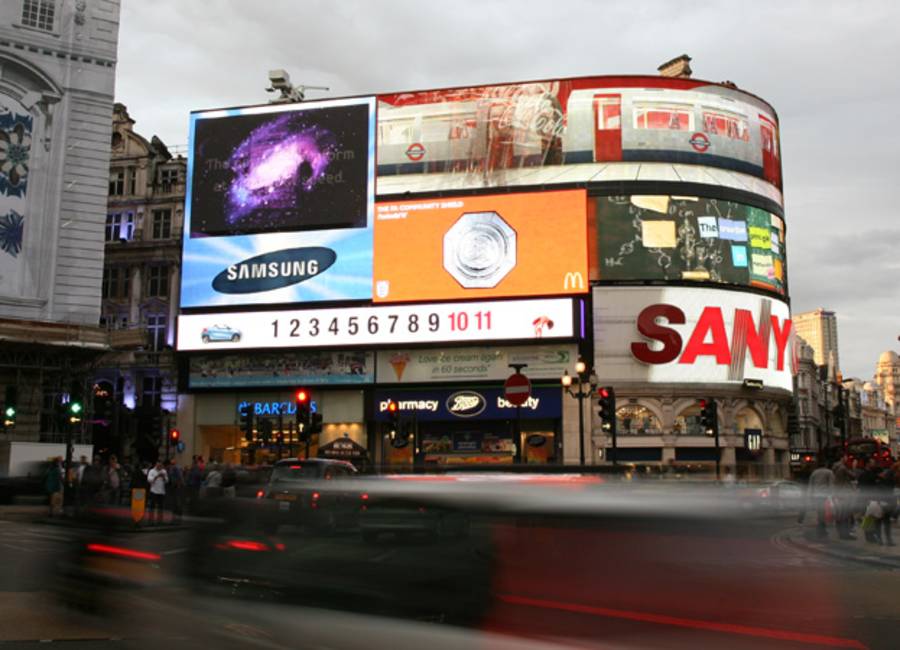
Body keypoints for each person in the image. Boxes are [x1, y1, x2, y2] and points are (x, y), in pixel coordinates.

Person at [807, 462, 835, 539]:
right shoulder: (829, 472)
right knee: (823, 513)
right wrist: (832, 496)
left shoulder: (814, 473)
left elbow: (810, 485)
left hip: (815, 496)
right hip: (825, 496)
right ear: (825, 464)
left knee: (820, 513)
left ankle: (821, 530)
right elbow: (831, 485)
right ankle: (822, 530)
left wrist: (810, 496)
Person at [832, 456, 856, 540]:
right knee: (846, 515)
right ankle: (845, 534)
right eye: (846, 457)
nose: (847, 459)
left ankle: (841, 533)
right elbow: (853, 476)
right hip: (845, 493)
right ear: (842, 458)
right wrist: (853, 467)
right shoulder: (843, 468)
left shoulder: (835, 468)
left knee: (840, 514)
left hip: (838, 493)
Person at [146, 460, 168, 525]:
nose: (159, 467)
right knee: (152, 507)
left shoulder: (164, 471)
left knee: (160, 507)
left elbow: (167, 481)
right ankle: (150, 521)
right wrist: (156, 476)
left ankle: (160, 521)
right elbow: (149, 480)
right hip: (154, 491)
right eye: (158, 465)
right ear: (156, 465)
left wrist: (164, 477)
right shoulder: (152, 471)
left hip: (162, 492)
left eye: (160, 466)